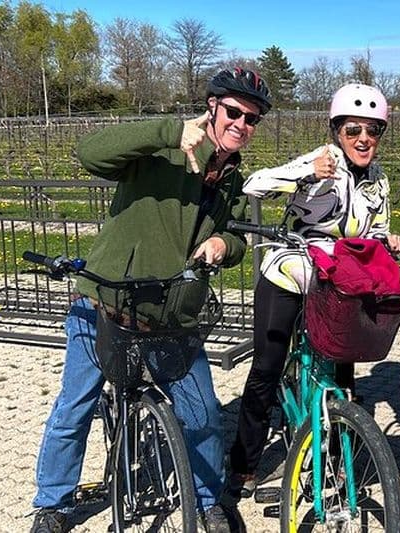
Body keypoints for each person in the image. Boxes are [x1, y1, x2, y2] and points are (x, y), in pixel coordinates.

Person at [29, 67, 271, 533]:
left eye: (252, 118)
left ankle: (206, 502)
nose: (241, 124)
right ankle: (53, 504)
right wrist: (167, 130)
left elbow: (236, 235)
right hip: (106, 299)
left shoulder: (234, 179)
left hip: (173, 314)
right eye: (234, 112)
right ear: (212, 106)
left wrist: (226, 245)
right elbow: (89, 154)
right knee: (74, 407)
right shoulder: (162, 148)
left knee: (202, 413)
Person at [228, 83, 400, 496]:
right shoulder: (321, 160)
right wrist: (306, 173)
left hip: (340, 281)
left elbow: (375, 230)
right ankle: (244, 465)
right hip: (291, 271)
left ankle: (335, 458)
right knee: (267, 368)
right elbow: (253, 184)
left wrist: (388, 239)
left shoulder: (379, 180)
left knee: (344, 370)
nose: (363, 139)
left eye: (373, 131)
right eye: (353, 130)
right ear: (337, 132)